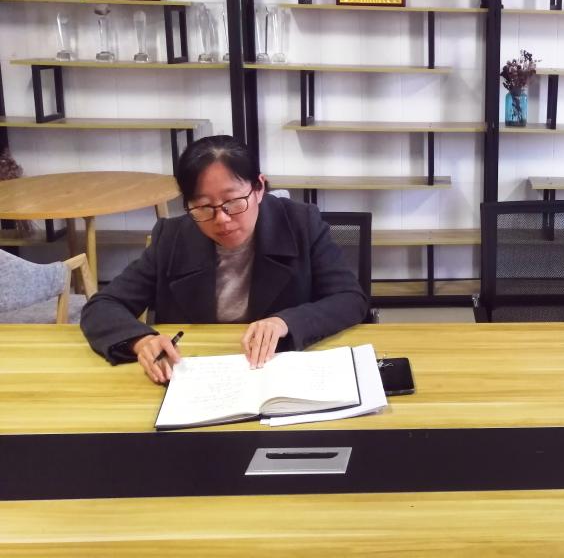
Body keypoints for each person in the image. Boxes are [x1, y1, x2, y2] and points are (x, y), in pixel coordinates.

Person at [80, 135, 369, 383]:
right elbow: (103, 306)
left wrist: (285, 322)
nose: (221, 219)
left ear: (259, 188)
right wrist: (141, 341)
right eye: (204, 207)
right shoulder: (173, 237)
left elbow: (349, 298)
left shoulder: (301, 224)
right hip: (197, 375)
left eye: (233, 202)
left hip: (280, 371)